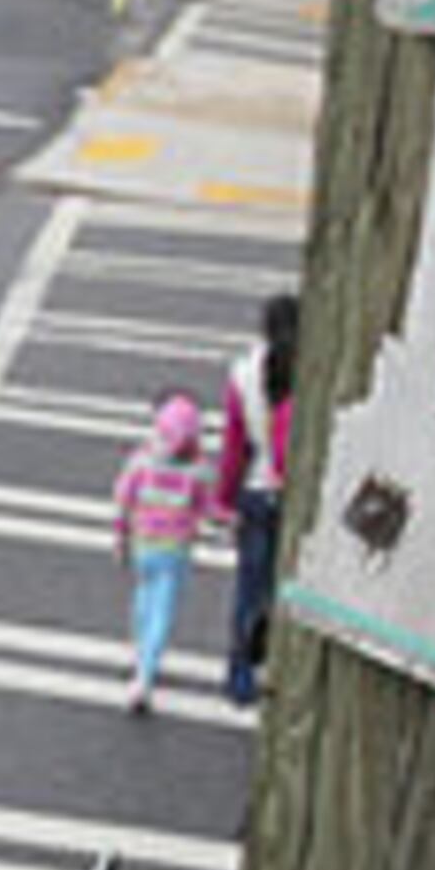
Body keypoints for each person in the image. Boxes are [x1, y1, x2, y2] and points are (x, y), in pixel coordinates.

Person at [216, 292, 299, 707]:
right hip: (293, 495)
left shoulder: (243, 372)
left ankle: (241, 676)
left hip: (255, 491)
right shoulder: (309, 367)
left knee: (250, 590)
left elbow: (235, 447)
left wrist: (223, 499)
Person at [111, 393, 213, 715]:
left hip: (144, 542)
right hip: (175, 550)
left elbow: (123, 497)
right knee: (162, 611)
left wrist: (120, 534)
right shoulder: (198, 469)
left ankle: (137, 651)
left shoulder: (141, 460)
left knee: (143, 596)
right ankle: (145, 675)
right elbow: (206, 507)